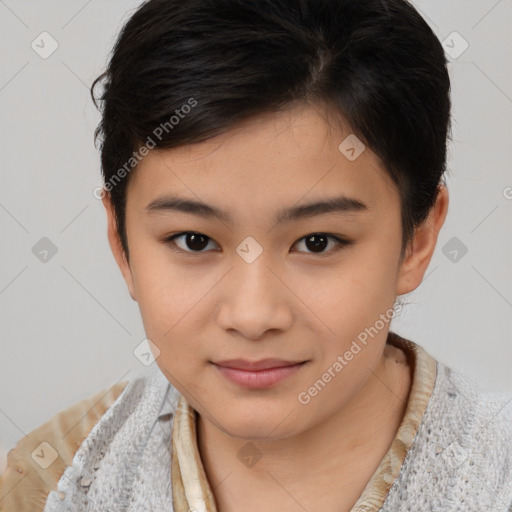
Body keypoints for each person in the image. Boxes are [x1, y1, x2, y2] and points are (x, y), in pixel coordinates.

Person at [1, 0, 511, 511]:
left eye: (318, 242)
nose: (252, 316)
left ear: (417, 240)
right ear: (122, 242)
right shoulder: (53, 480)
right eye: (194, 241)